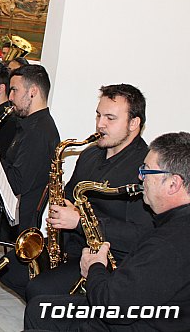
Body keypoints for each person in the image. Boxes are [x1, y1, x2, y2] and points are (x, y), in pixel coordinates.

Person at [25, 132, 190, 331]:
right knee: (39, 309)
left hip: (131, 320)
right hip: (147, 310)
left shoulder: (167, 243)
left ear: (173, 184)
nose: (139, 177)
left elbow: (112, 306)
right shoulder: (175, 227)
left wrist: (94, 268)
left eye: (146, 171)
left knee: (42, 313)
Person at [25, 84, 153, 301]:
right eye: (98, 115)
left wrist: (79, 222)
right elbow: (68, 195)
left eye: (110, 118)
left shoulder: (144, 168)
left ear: (134, 123)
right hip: (74, 246)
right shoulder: (91, 154)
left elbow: (139, 235)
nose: (100, 124)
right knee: (10, 269)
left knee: (38, 290)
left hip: (110, 261)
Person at [0, 64, 60, 295]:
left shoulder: (39, 131)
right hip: (16, 212)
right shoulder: (31, 125)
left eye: (14, 91)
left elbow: (16, 182)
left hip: (20, 219)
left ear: (32, 92)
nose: (10, 97)